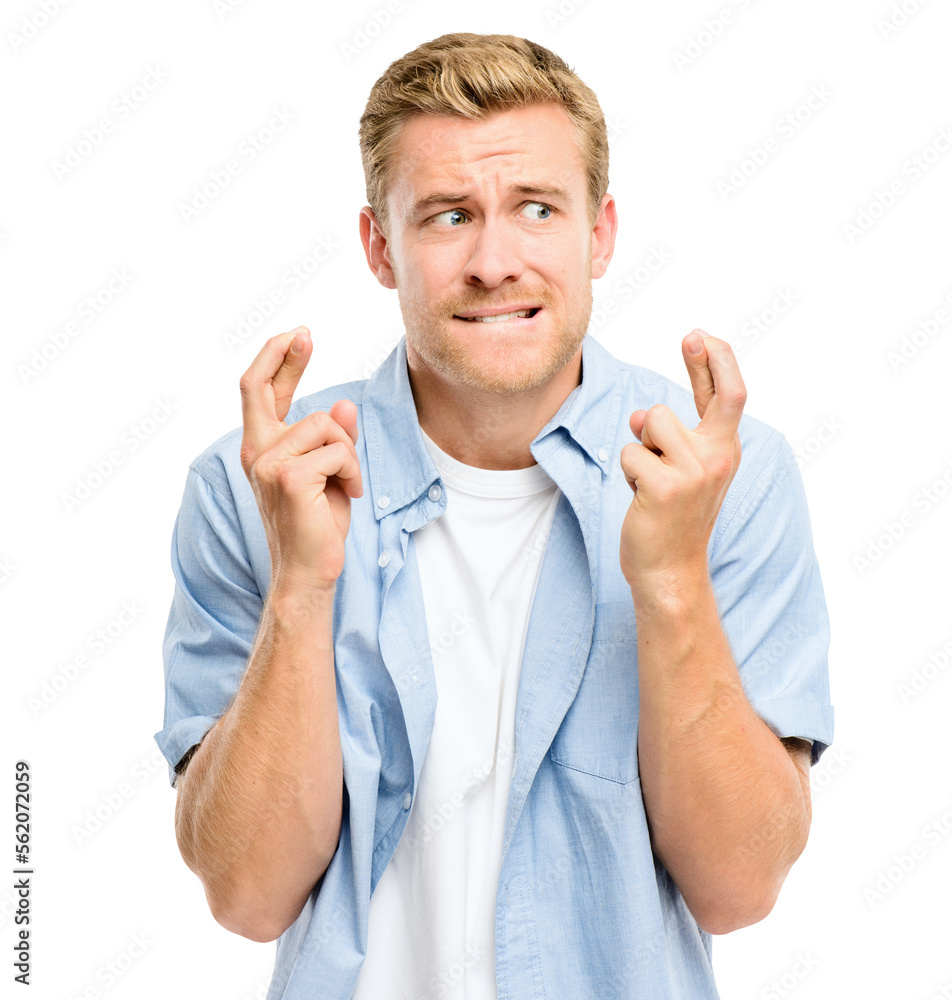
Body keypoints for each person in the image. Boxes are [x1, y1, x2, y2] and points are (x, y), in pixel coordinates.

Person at [156, 32, 834, 999]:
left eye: (537, 209)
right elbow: (247, 896)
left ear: (599, 234)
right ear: (380, 247)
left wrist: (673, 581)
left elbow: (740, 887)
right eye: (447, 216)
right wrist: (302, 588)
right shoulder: (256, 482)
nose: (494, 261)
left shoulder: (728, 475)